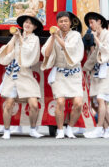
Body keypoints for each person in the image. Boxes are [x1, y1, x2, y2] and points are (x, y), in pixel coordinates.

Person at [0, 14, 44, 140]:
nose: (27, 25)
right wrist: (14, 37)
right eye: (25, 22)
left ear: (34, 27)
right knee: (9, 103)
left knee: (34, 103)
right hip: (13, 73)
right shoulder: (17, 37)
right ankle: (6, 130)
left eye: (30, 23)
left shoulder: (35, 39)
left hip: (26, 73)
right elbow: (7, 52)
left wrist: (21, 39)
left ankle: (33, 129)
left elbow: (29, 53)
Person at [41, 11, 84, 139]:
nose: (63, 23)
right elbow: (46, 53)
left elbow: (69, 47)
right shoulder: (54, 35)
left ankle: (70, 128)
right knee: (60, 102)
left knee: (78, 103)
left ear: (70, 23)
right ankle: (60, 130)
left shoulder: (75, 35)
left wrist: (57, 37)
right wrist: (53, 37)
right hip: (59, 73)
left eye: (66, 21)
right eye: (61, 21)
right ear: (57, 23)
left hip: (74, 74)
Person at [82, 12, 109, 139]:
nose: (90, 25)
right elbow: (95, 55)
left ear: (99, 22)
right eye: (89, 23)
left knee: (101, 98)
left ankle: (99, 128)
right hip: (99, 70)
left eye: (92, 22)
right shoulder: (97, 35)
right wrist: (86, 67)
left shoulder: (108, 34)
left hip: (107, 70)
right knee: (99, 101)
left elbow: (106, 50)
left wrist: (96, 39)